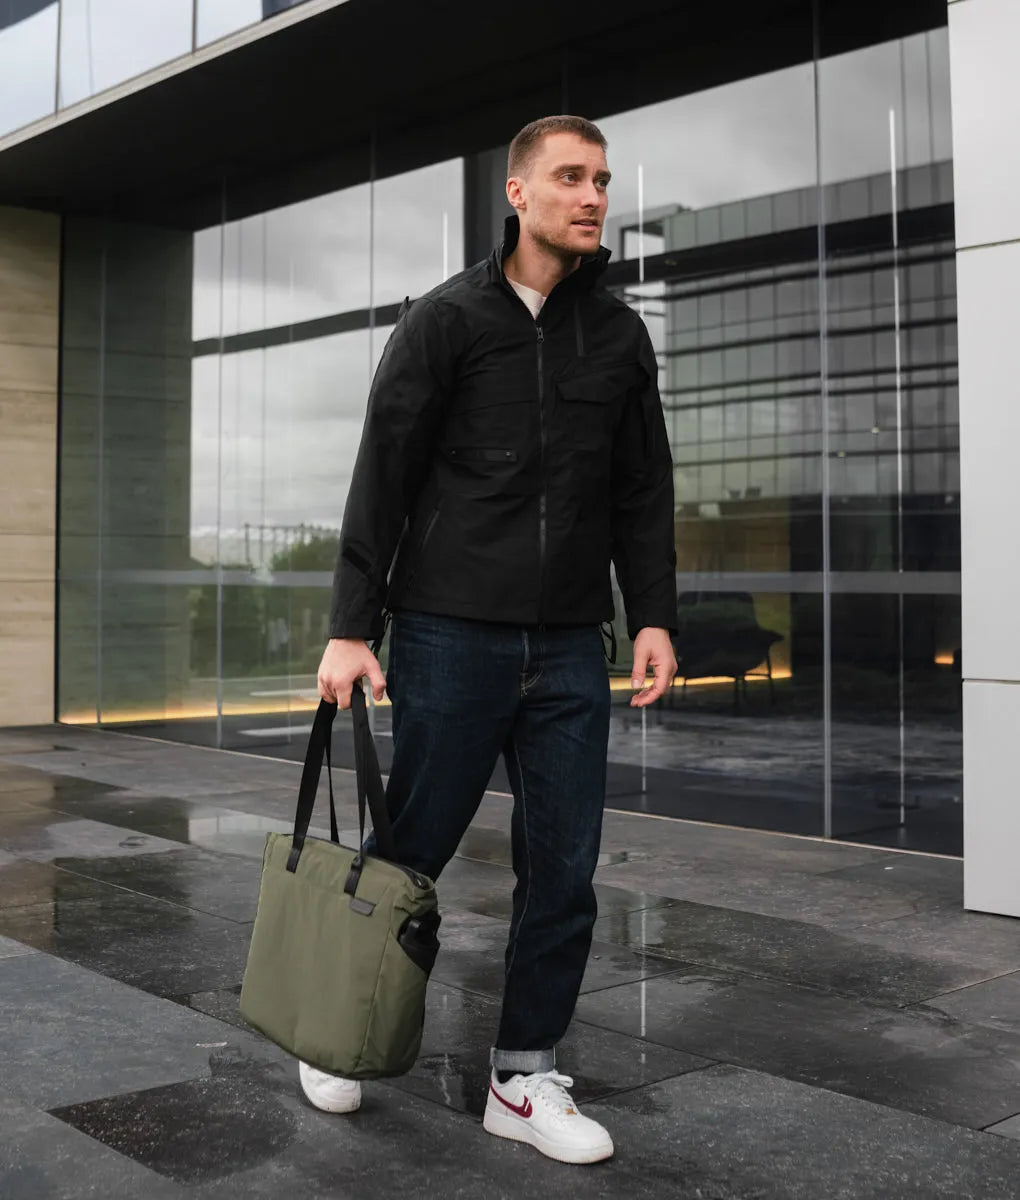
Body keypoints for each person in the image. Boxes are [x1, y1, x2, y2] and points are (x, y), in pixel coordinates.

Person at [309, 114, 677, 1165]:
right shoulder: (444, 321)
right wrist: (351, 627)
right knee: (410, 856)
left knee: (564, 872)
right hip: (448, 636)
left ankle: (522, 1077)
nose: (592, 196)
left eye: (602, 179)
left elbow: (643, 488)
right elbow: (382, 476)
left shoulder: (620, 337)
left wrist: (652, 613)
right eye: (570, 177)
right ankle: (337, 1029)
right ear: (518, 193)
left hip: (568, 648)